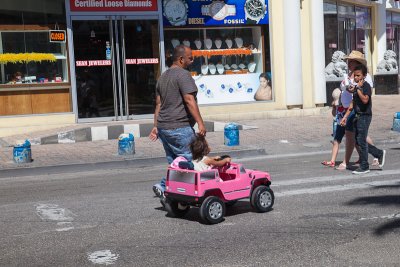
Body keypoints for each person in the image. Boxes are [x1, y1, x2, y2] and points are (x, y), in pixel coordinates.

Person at [149, 45, 206, 200]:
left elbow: (158, 105)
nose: (192, 60)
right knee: (191, 161)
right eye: (190, 57)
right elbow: (189, 100)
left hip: (164, 128)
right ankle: (164, 185)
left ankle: (174, 192)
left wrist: (156, 126)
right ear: (181, 59)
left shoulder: (163, 77)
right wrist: (200, 123)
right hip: (179, 127)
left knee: (175, 162)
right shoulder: (183, 75)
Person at [335, 51, 378, 170]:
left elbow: (364, 94)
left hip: (359, 110)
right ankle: (372, 155)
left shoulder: (365, 77)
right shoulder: (350, 75)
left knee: (354, 136)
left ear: (357, 63)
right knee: (358, 136)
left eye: (351, 62)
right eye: (348, 61)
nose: (348, 64)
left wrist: (355, 89)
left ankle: (346, 161)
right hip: (349, 108)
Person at [340, 64, 386, 174]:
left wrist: (359, 89)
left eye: (358, 75)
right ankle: (378, 153)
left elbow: (365, 100)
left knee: (361, 140)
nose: (355, 78)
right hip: (357, 115)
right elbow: (352, 104)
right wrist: (345, 117)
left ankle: (364, 166)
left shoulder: (365, 86)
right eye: (354, 76)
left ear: (364, 76)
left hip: (365, 115)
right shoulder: (356, 87)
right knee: (358, 140)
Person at [321, 88, 347, 167]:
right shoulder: (337, 105)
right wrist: (334, 108)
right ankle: (332, 161)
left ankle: (359, 157)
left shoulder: (346, 104)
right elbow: (334, 114)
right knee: (336, 141)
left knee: (355, 142)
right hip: (339, 125)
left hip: (347, 125)